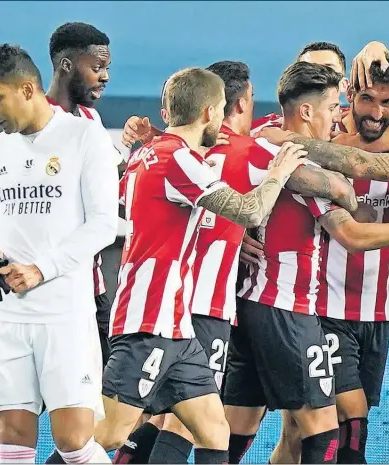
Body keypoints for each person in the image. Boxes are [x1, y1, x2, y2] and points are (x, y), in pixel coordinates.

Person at [222, 61, 389, 465]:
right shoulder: (306, 148)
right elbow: (233, 158)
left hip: (377, 311)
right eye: (365, 99)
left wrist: (386, 55)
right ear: (345, 100)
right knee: (338, 429)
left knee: (289, 433)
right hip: (319, 309)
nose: (376, 111)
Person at [92, 66, 308, 465]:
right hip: (149, 319)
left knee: (213, 429)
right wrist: (278, 172)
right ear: (210, 112)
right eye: (222, 110)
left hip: (177, 323)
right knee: (106, 434)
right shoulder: (178, 158)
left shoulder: (147, 155)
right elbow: (249, 210)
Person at [0, 23, 120, 465]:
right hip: (7, 316)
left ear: (27, 88)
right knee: (12, 443)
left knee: (74, 444)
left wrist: (41, 269)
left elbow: (105, 224)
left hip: (64, 313)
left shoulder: (84, 137)